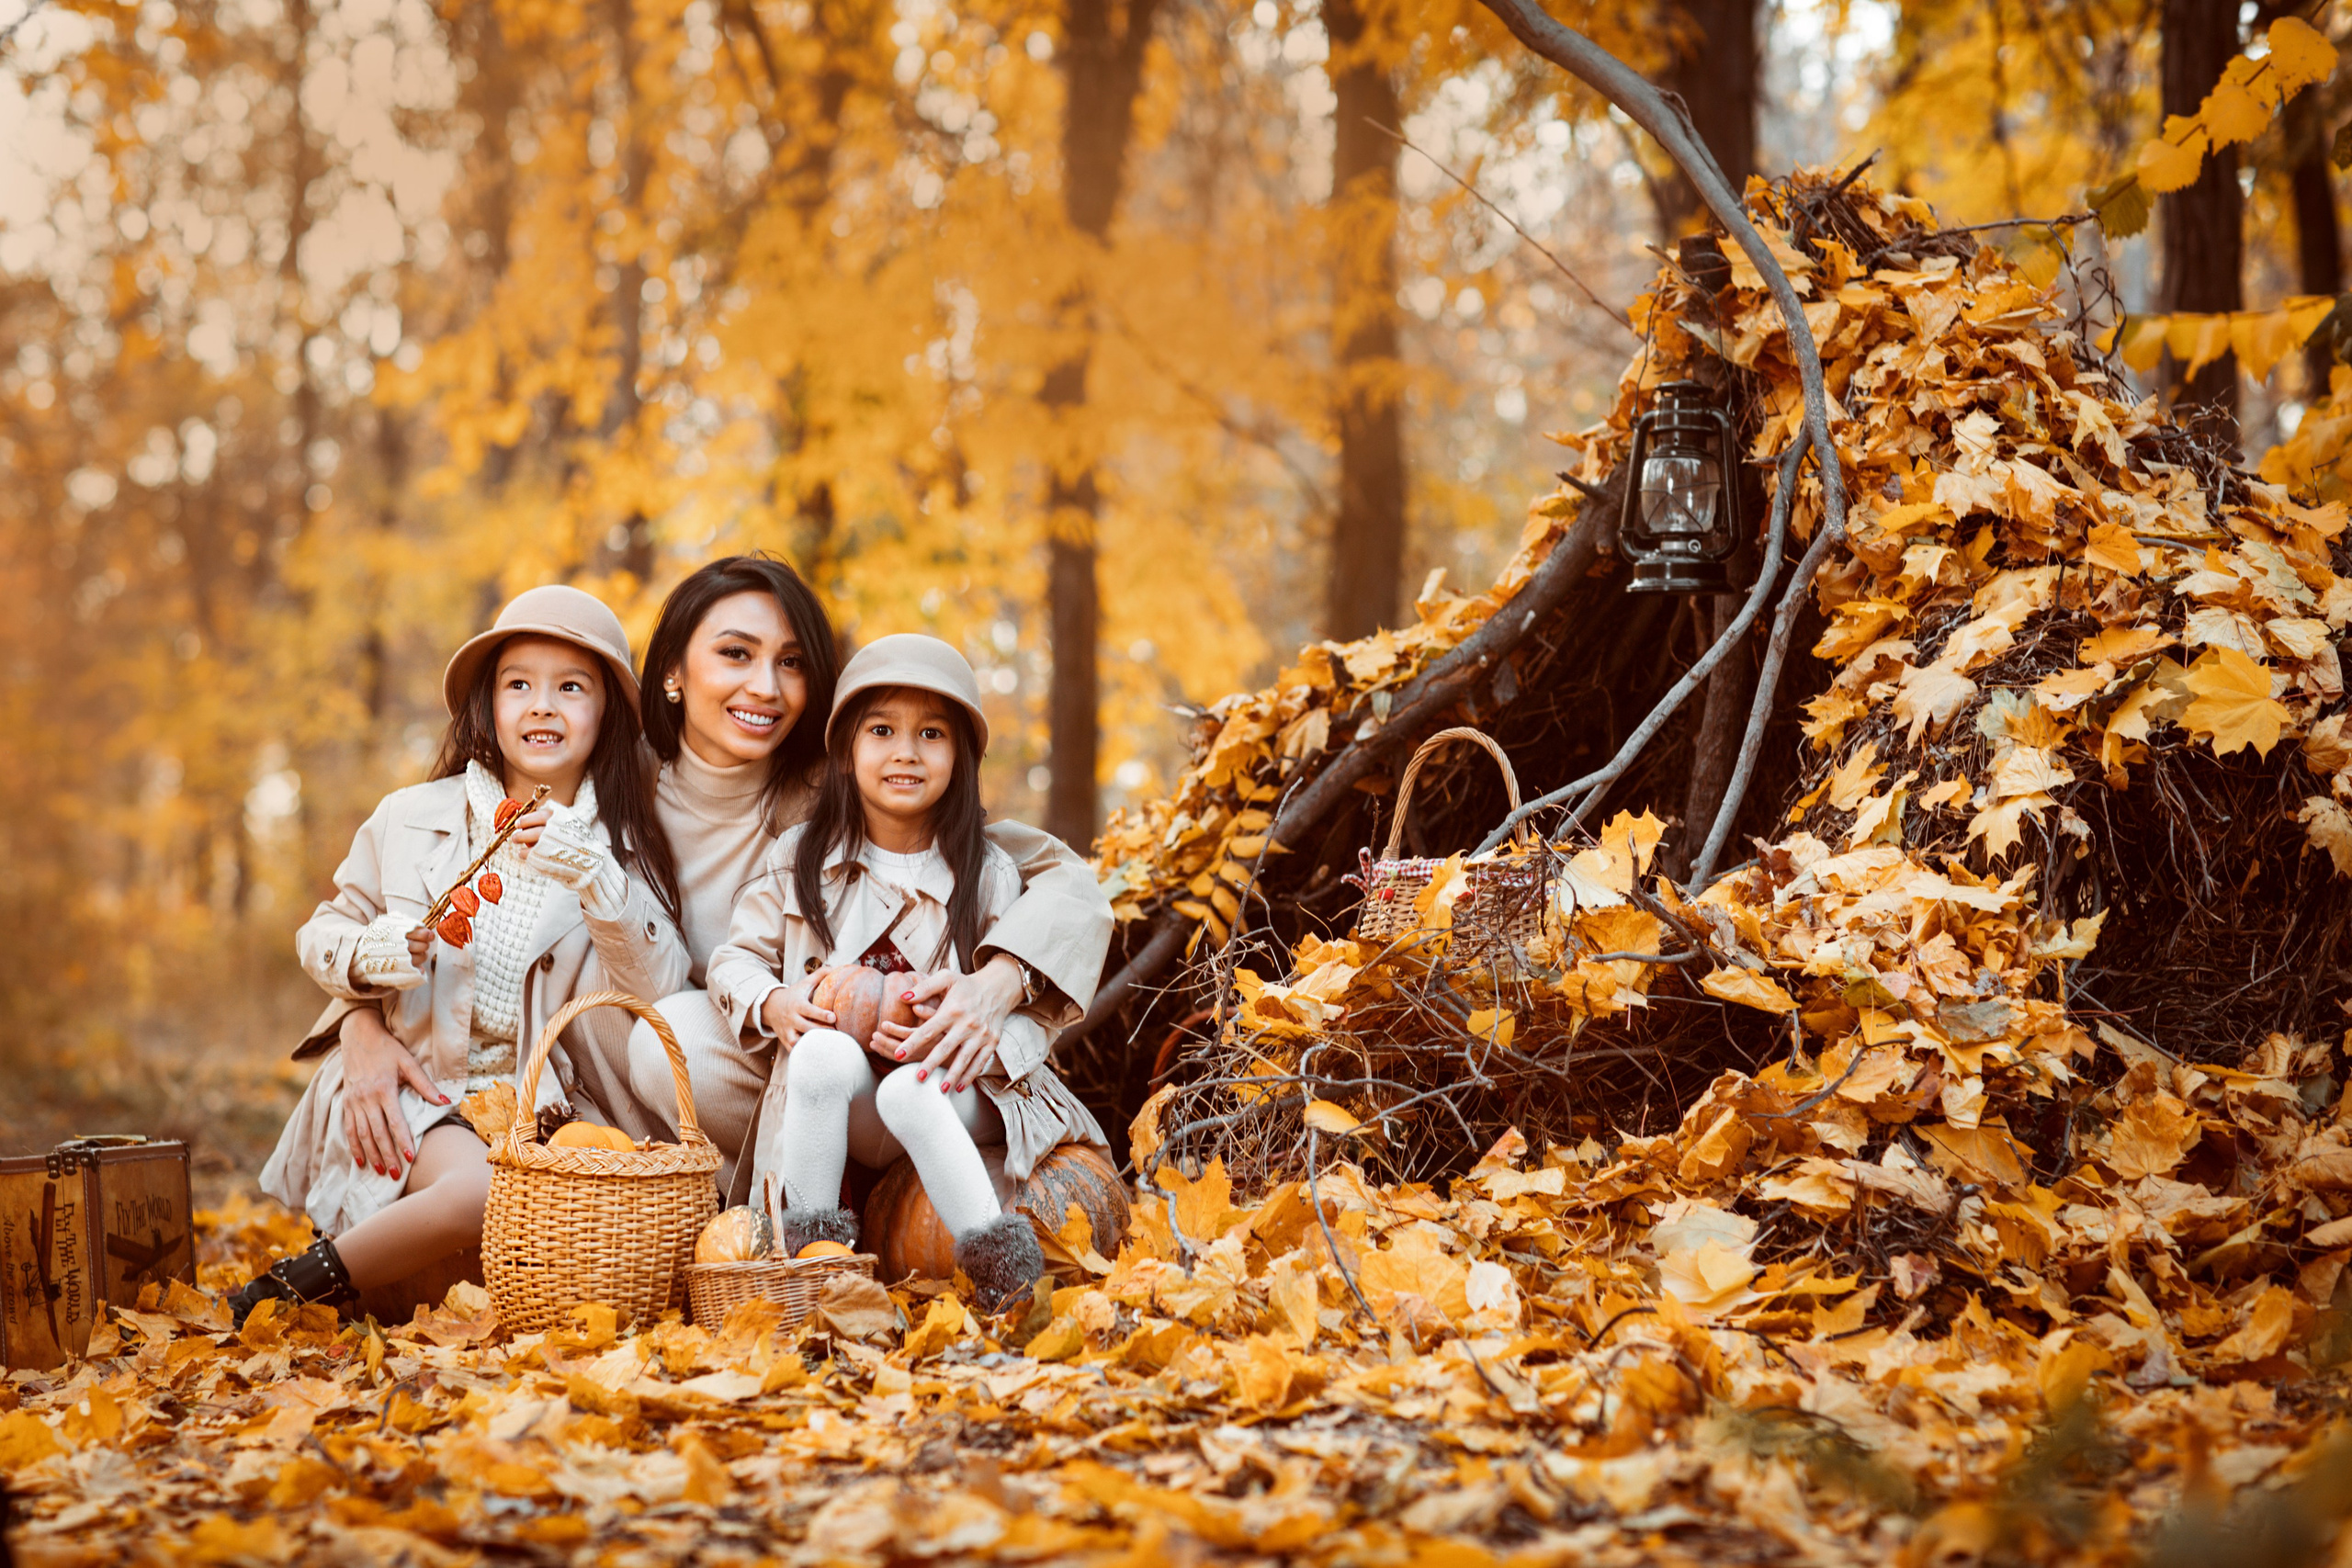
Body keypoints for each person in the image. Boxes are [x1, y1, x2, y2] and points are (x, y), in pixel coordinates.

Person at [234, 587, 687, 1325]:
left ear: (605, 713)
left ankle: (363, 1273)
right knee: (486, 1193)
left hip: (541, 1116)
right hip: (423, 1089)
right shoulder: (412, 817)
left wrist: (598, 879)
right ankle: (287, 1289)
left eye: (571, 687)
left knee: (534, 1243)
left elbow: (661, 986)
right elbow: (321, 932)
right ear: (488, 704)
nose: (542, 706)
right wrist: (371, 961)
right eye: (519, 685)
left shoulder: (627, 849)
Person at [707, 637, 1109, 1311]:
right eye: (882, 730)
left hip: (967, 1090)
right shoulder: (800, 859)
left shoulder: (990, 874)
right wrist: (774, 1001)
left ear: (962, 757)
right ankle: (812, 1265)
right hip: (864, 1095)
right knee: (822, 1054)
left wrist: (987, 1042)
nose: (906, 752)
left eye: (931, 734)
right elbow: (735, 958)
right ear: (845, 751)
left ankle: (1008, 1277)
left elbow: (1032, 1013)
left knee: (911, 1091)